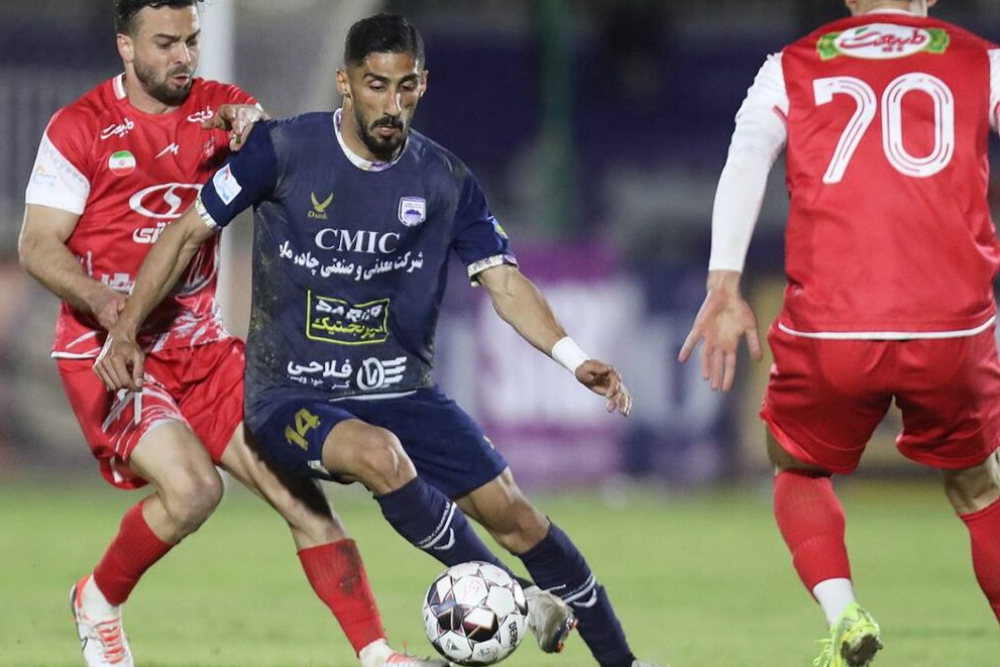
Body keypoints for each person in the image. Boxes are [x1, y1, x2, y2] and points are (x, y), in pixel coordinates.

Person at [95, 13, 663, 667]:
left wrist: (574, 357)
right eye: (376, 85)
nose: (392, 104)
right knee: (380, 455)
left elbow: (505, 283)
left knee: (517, 515)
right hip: (290, 395)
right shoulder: (282, 151)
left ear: (423, 85)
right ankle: (519, 596)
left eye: (405, 86)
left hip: (400, 390)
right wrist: (125, 329)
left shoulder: (445, 180)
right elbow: (186, 232)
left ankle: (624, 662)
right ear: (345, 83)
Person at [19, 3, 453, 667]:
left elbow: (268, 150)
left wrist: (254, 129)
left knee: (301, 499)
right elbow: (37, 246)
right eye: (165, 43)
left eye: (191, 40)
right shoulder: (80, 127)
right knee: (195, 490)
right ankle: (98, 600)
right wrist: (106, 303)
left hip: (200, 346)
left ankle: (376, 654)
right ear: (125, 47)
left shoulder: (220, 109)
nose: (184, 56)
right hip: (106, 349)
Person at [680, 0, 1000, 665]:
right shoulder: (981, 60)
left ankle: (843, 612)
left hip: (833, 323)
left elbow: (747, 158)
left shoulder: (791, 66)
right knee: (978, 485)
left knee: (795, 460)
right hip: (952, 325)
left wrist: (724, 282)